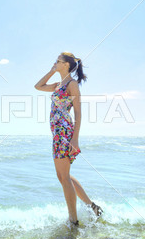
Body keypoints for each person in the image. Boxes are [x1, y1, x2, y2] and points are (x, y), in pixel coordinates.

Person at [34, 51, 103, 228]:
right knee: (64, 176)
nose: (55, 63)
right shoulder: (58, 85)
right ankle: (93, 207)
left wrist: (75, 139)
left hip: (65, 132)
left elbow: (78, 112)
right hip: (57, 133)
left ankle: (73, 221)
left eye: (58, 61)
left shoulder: (72, 85)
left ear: (66, 65)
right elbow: (38, 86)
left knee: (64, 177)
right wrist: (51, 71)